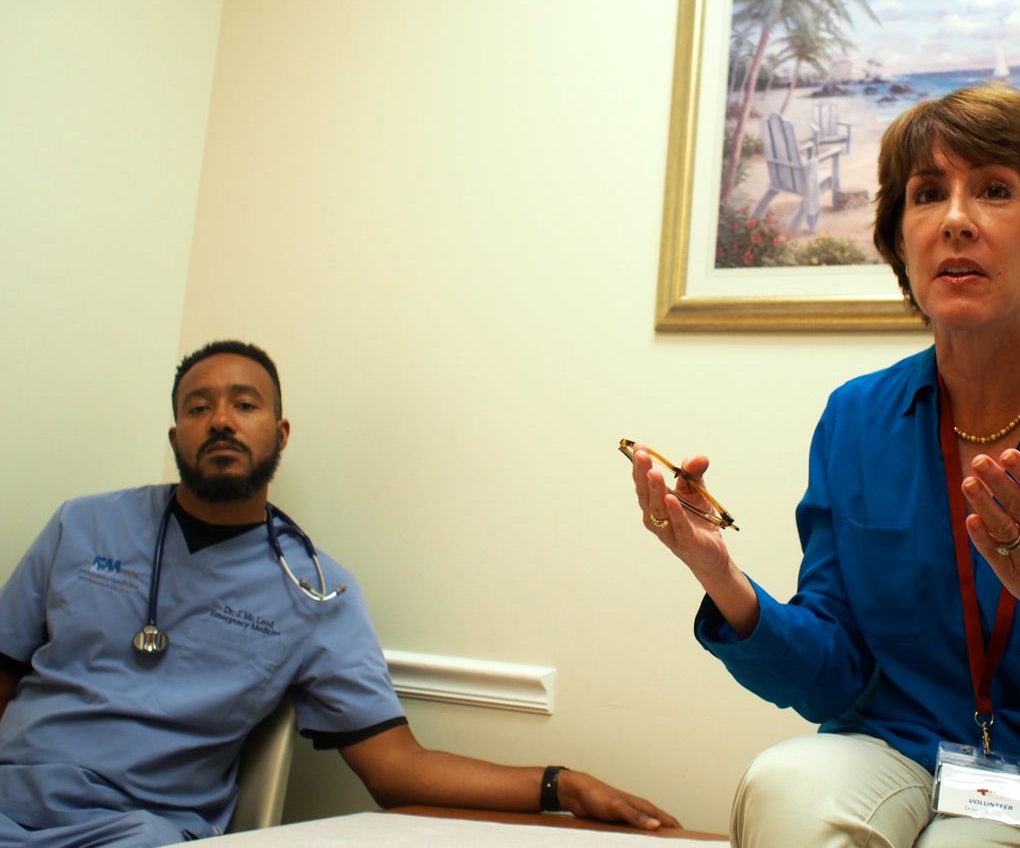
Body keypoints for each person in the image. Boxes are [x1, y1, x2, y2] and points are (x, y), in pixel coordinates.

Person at [628, 84, 1020, 847]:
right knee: (785, 784)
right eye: (926, 195)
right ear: (898, 239)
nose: (954, 219)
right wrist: (728, 586)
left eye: (994, 190)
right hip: (904, 753)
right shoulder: (856, 418)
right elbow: (836, 673)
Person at [0, 340, 678, 846]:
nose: (221, 421)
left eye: (245, 403)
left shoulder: (317, 593)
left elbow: (396, 766)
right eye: (198, 408)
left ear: (280, 432)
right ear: (177, 435)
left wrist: (563, 784)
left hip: (129, 831)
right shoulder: (80, 524)